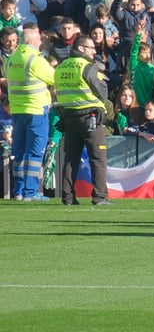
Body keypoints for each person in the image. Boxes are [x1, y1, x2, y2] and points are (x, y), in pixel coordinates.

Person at [54, 35, 111, 206]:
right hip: (90, 117)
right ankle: (100, 197)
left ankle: (68, 197)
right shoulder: (87, 67)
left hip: (69, 117)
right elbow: (103, 91)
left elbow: (59, 93)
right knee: (98, 157)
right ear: (81, 48)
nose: (94, 51)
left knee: (71, 158)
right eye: (91, 48)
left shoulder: (61, 67)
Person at [6, 25, 55, 200]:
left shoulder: (11, 59)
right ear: (31, 41)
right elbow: (54, 77)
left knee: (18, 152)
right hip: (36, 110)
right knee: (34, 153)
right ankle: (30, 192)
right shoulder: (35, 60)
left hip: (17, 111)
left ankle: (18, 191)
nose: (41, 42)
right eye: (39, 39)